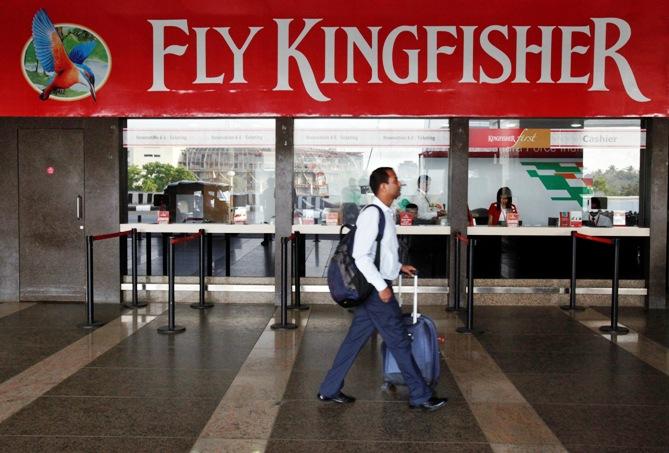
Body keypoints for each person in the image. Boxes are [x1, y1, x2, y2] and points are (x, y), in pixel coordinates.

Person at [318, 167, 448, 412]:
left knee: (353, 341)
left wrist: (399, 267)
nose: (399, 184)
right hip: (377, 291)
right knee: (399, 340)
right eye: (395, 180)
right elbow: (360, 256)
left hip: (376, 288)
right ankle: (420, 395)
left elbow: (382, 253)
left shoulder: (386, 213)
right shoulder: (372, 214)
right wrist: (381, 286)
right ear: (383, 186)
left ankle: (329, 388)